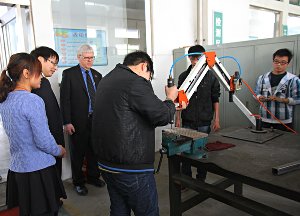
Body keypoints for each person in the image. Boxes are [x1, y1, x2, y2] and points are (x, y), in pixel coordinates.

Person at [92, 51, 178, 215]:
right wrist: (170, 100)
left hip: (106, 163)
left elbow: (127, 110)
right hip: (131, 167)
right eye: (149, 76)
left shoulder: (107, 79)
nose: (148, 81)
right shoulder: (135, 82)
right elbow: (162, 115)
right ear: (144, 66)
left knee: (119, 209)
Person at [0, 53, 67, 216]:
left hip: (18, 170)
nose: (41, 77)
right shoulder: (32, 100)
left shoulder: (6, 99)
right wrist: (59, 150)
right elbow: (43, 141)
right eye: (38, 72)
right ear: (26, 73)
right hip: (38, 171)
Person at [60, 44, 105, 196]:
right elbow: (65, 100)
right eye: (86, 58)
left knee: (94, 151)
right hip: (77, 122)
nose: (89, 61)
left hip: (96, 120)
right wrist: (67, 122)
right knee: (78, 153)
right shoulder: (69, 74)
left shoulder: (97, 75)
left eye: (92, 57)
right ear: (79, 57)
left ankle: (93, 177)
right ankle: (78, 182)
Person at [175, 45, 221, 182]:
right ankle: (186, 179)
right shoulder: (184, 76)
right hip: (187, 119)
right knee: (185, 151)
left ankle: (201, 179)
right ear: (189, 58)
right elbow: (179, 99)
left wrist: (216, 119)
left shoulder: (211, 77)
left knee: (202, 152)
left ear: (204, 58)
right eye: (192, 57)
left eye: (198, 58)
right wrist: (177, 118)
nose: (195, 61)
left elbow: (215, 98)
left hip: (204, 120)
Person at [31, 46, 65, 178]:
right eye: (53, 63)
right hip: (49, 145)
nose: (55, 68)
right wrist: (55, 147)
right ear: (40, 60)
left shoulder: (43, 82)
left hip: (52, 142)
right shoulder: (37, 86)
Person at [254, 48, 300, 131]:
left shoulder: (293, 79)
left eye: (283, 62)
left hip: (284, 122)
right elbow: (255, 93)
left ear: (288, 64)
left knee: (283, 143)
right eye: (276, 61)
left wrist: (281, 100)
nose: (279, 64)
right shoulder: (262, 78)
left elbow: (298, 99)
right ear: (273, 61)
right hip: (264, 119)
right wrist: (259, 97)